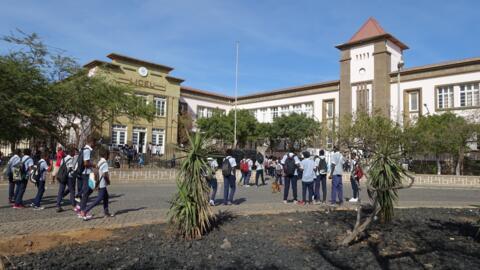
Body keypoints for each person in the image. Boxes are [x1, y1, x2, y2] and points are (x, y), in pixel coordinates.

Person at [83, 149, 114, 221]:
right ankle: (85, 211)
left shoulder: (100, 161)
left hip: (99, 182)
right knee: (99, 199)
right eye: (109, 155)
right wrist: (108, 181)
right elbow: (105, 174)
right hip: (102, 183)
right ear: (106, 155)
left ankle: (106, 212)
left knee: (106, 196)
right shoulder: (105, 163)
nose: (109, 156)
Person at [79, 137, 95, 219]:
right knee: (86, 192)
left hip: (86, 173)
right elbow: (86, 163)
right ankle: (83, 211)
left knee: (91, 188)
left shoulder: (83, 149)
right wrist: (93, 165)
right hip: (86, 173)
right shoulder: (87, 150)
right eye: (94, 143)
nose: (94, 145)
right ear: (91, 142)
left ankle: (81, 207)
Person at [56, 147, 75, 212]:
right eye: (73, 152)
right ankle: (73, 205)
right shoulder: (71, 159)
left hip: (63, 176)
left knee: (61, 190)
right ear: (71, 152)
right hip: (69, 176)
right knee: (72, 190)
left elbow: (61, 166)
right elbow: (71, 168)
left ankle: (58, 205)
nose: (74, 153)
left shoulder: (63, 159)